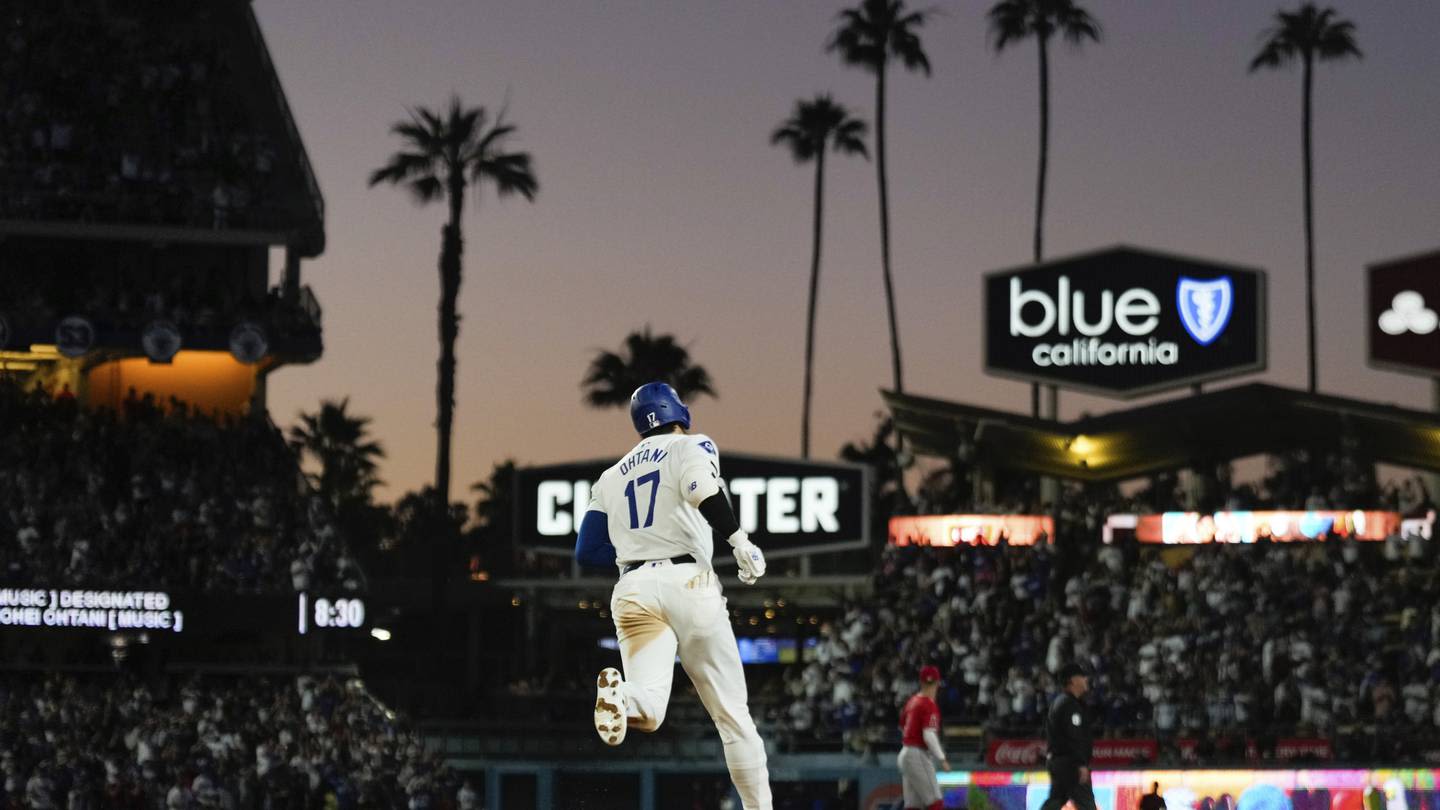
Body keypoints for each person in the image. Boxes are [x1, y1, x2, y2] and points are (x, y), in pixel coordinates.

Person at [575, 382, 773, 810]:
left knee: (647, 712)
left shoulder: (611, 476)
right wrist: (739, 540)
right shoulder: (691, 446)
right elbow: (702, 490)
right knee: (733, 717)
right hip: (687, 582)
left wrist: (638, 551)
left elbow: (586, 550)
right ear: (678, 411)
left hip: (632, 589)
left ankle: (621, 696)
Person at [1041, 662, 1096, 810]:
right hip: (1070, 763)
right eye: (1082, 677)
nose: (1085, 680)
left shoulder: (1060, 701)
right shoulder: (1069, 704)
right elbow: (1073, 736)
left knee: (1056, 800)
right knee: (1087, 805)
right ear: (1073, 681)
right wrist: (1081, 763)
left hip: (1059, 761)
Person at [898, 664, 949, 810]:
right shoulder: (929, 704)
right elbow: (929, 735)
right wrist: (942, 758)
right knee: (935, 801)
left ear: (921, 682)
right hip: (918, 754)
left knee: (913, 804)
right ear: (938, 683)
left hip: (905, 753)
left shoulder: (912, 701)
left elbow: (902, 726)